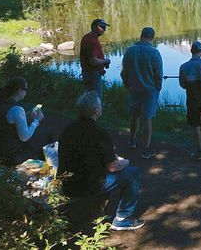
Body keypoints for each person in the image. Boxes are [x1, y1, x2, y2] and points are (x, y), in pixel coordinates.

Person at [58, 92, 145, 231]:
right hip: (87, 185)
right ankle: (122, 219)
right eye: (100, 105)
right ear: (97, 111)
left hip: (67, 184)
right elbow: (113, 167)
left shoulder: (68, 130)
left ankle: (98, 208)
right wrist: (125, 162)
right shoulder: (100, 133)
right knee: (134, 174)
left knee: (100, 171)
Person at [121, 26, 163, 159]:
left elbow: (123, 72)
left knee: (134, 117)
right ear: (152, 37)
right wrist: (158, 88)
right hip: (149, 91)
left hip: (134, 89)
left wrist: (128, 84)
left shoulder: (129, 51)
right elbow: (158, 74)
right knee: (147, 119)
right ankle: (146, 148)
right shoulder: (154, 53)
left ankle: (132, 140)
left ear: (141, 35)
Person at [0, 76, 46, 166]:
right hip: (10, 155)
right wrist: (36, 121)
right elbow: (24, 137)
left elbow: (7, 120)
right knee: (46, 138)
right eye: (25, 89)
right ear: (19, 90)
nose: (26, 92)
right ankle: (40, 172)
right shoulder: (17, 110)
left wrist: (25, 117)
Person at [79, 18, 111, 101]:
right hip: (93, 74)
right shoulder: (92, 41)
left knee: (89, 98)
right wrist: (106, 61)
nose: (104, 29)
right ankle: (95, 113)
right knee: (96, 100)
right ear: (93, 27)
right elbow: (93, 61)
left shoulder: (87, 37)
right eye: (101, 27)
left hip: (87, 72)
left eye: (104, 27)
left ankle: (87, 112)